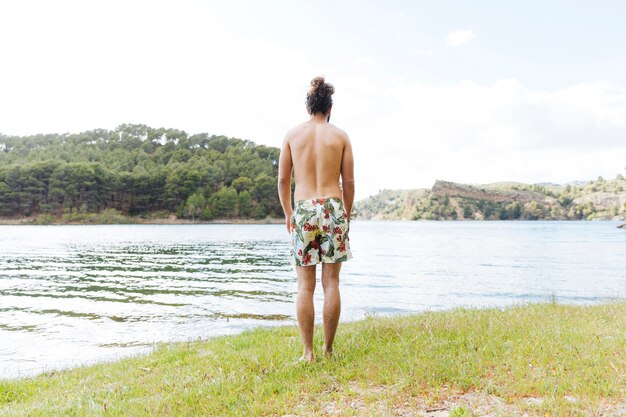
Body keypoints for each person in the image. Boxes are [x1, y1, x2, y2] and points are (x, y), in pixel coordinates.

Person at [277, 76, 355, 363]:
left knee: (304, 286)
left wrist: (289, 214)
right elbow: (349, 182)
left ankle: (308, 353)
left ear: (308, 106)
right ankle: (328, 350)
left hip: (305, 208)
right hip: (333, 207)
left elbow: (284, 180)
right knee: (331, 283)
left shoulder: (292, 135)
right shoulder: (340, 136)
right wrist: (344, 214)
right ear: (329, 107)